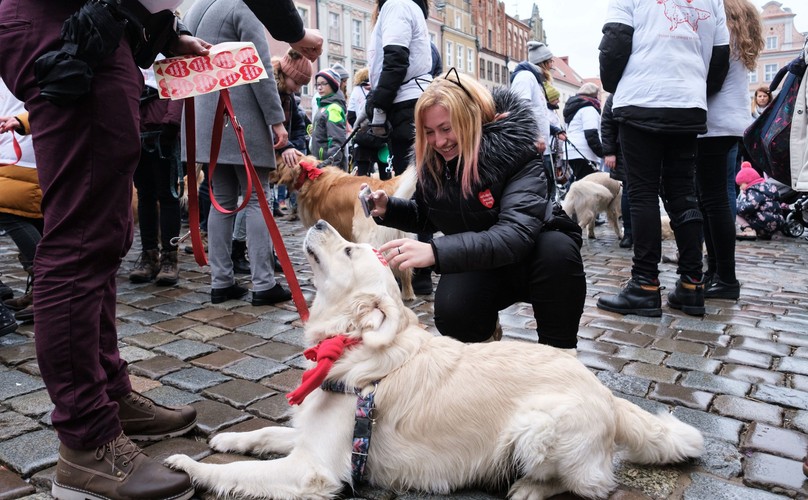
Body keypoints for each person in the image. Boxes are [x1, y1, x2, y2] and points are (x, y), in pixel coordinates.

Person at [0, 1, 212, 498]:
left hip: (89, 26)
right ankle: (87, 443)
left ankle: (110, 397)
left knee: (106, 230)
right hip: (66, 24)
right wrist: (291, 31)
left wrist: (161, 36)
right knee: (81, 239)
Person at [364, 71, 586, 352]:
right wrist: (389, 208)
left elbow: (515, 234)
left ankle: (559, 353)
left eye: (447, 128)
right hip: (481, 257)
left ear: (470, 119)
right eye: (429, 132)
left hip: (532, 257)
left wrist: (436, 252)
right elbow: (431, 214)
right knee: (453, 311)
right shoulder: (435, 161)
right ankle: (485, 345)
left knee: (557, 251)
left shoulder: (514, 152)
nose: (439, 141)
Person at [596, 0, 730, 318]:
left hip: (642, 98)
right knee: (684, 193)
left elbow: (614, 43)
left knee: (641, 192)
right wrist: (692, 89)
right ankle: (692, 283)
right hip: (688, 102)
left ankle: (644, 284)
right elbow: (720, 56)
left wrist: (620, 85)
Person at [184, 0, 293, 307]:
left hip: (205, 120)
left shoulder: (194, 9)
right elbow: (260, 69)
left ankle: (221, 282)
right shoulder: (243, 7)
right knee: (258, 197)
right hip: (240, 116)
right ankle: (263, 283)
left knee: (221, 200)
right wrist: (276, 119)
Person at [696, 0, 763, 301]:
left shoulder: (714, 16)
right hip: (731, 121)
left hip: (713, 120)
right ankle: (717, 272)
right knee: (717, 199)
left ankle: (725, 276)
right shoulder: (742, 16)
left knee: (712, 200)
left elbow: (712, 73)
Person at [129, 65, 184, 286]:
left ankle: (170, 257)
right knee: (145, 195)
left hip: (162, 131)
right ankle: (149, 254)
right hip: (136, 128)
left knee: (168, 195)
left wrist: (172, 120)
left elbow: (180, 82)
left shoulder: (170, 45)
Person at [0, 84, 41, 323]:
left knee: (8, 210)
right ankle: (42, 288)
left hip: (25, 145)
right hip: (17, 143)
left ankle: (49, 286)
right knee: (28, 216)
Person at [510, 41, 556, 195]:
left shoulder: (534, 79)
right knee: (538, 191)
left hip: (541, 147)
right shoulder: (525, 76)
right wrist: (536, 136)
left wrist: (554, 131)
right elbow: (521, 106)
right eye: (550, 61)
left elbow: (538, 113)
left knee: (547, 190)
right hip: (533, 146)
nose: (552, 65)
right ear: (543, 62)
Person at [273, 48, 313, 220]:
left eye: (301, 85)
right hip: (267, 150)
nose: (297, 88)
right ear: (286, 73)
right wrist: (285, 147)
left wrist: (296, 152)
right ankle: (239, 241)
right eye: (296, 83)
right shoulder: (270, 90)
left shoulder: (290, 97)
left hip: (280, 149)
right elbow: (268, 123)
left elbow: (298, 125)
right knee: (257, 198)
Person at [600, 93, 633, 249]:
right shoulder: (617, 93)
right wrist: (609, 152)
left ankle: (645, 234)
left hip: (650, 147)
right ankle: (630, 233)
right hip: (625, 148)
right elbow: (607, 122)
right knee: (628, 190)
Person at [348, 67, 390, 177]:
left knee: (362, 176)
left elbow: (351, 116)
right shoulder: (384, 89)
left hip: (363, 138)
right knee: (385, 176)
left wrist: (359, 127)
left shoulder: (355, 91)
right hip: (382, 137)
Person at [563, 82, 603, 182]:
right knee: (586, 184)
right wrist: (602, 153)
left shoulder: (575, 109)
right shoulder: (589, 109)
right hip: (583, 151)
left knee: (578, 180)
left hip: (573, 150)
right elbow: (591, 134)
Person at [735, 161, 784, 239]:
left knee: (735, 211)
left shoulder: (753, 190)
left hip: (763, 222)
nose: (740, 188)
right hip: (778, 221)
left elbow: (749, 207)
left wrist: (736, 205)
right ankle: (770, 233)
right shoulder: (768, 186)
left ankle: (748, 230)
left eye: (741, 184)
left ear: (747, 181)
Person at [309, 68, 348, 167]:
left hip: (328, 166)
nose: (319, 88)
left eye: (323, 84)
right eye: (317, 84)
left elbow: (336, 140)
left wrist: (331, 166)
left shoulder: (333, 108)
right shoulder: (323, 106)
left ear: (333, 85)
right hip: (321, 163)